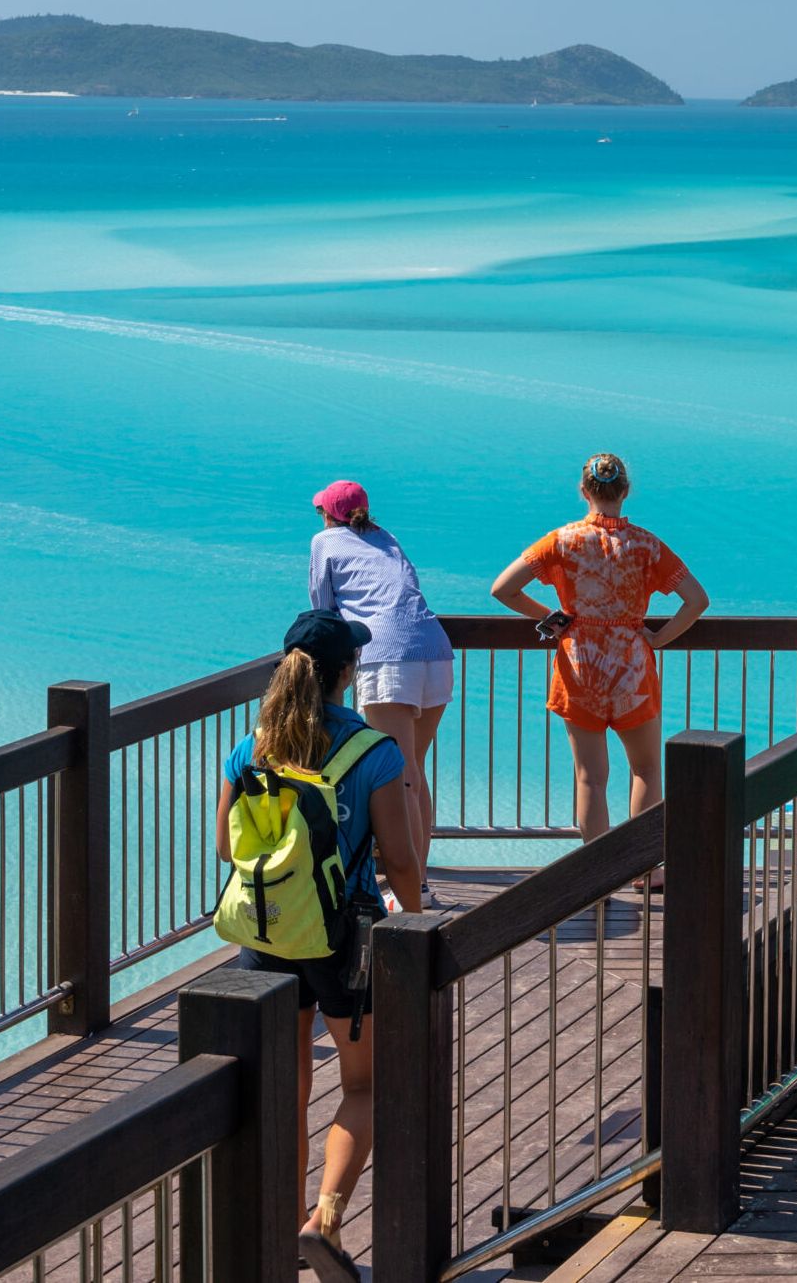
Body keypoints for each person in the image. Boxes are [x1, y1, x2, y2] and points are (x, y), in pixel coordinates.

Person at [214, 610, 422, 1283]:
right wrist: (413, 932)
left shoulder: (252, 748)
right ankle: (324, 1221)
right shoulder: (375, 752)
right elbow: (399, 859)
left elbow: (225, 847)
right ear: (344, 674)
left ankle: (282, 1222)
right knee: (366, 1082)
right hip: (342, 938)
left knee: (288, 1088)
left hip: (267, 933)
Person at [489, 453, 709, 840]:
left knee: (590, 779)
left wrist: (554, 619)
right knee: (645, 771)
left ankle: (597, 880)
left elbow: (503, 588)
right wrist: (657, 639)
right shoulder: (646, 545)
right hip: (633, 668)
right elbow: (696, 600)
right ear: (625, 491)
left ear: (583, 491)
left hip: (580, 667)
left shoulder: (562, 540)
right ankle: (647, 870)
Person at [309, 480, 453, 904]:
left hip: (388, 655)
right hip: (434, 650)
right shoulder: (385, 537)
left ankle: (414, 890)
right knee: (413, 771)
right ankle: (419, 879)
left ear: (328, 514)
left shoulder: (325, 541)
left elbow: (322, 608)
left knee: (402, 775)